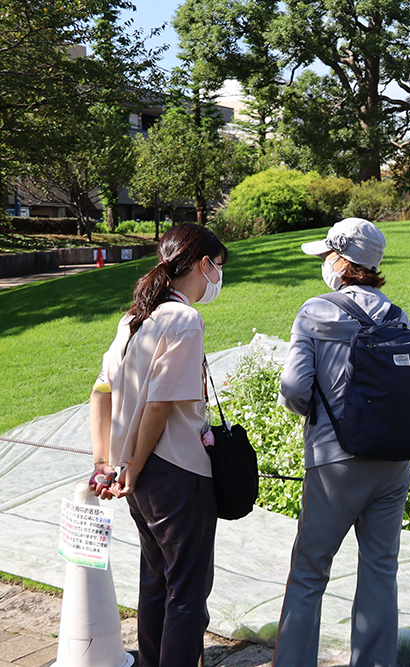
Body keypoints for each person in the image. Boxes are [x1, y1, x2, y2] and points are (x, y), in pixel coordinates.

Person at [272, 218, 410, 667]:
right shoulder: (394, 314)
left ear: (342, 262)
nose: (325, 262)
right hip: (393, 461)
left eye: (328, 255)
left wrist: (317, 416)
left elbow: (293, 387)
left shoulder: (315, 311)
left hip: (334, 461)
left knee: (309, 572)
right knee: (380, 570)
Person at [88, 223, 228, 667]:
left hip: (140, 478)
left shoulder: (134, 319)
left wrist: (108, 463)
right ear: (204, 264)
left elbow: (100, 394)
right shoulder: (184, 318)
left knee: (156, 581)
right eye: (219, 267)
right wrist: (131, 463)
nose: (218, 278)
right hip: (178, 472)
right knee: (187, 593)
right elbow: (160, 405)